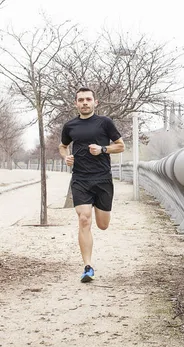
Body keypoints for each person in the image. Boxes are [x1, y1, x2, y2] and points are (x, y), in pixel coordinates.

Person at [58, 87, 125, 283]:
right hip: (80, 179)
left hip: (103, 178)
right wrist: (66, 157)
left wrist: (103, 149)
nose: (85, 103)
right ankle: (87, 267)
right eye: (81, 100)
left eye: (88, 99)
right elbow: (62, 146)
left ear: (95, 102)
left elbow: (121, 145)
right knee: (84, 219)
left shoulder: (105, 123)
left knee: (102, 225)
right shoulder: (70, 126)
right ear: (76, 103)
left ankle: (100, 212)